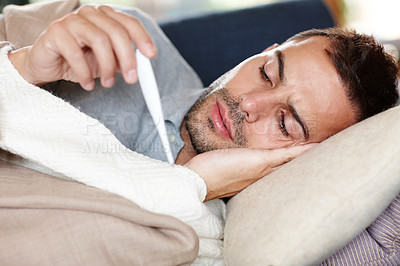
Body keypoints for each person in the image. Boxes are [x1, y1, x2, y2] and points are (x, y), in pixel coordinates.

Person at [5, 4, 399, 201]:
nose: (249, 102)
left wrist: (191, 185)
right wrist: (22, 67)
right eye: (266, 73)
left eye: (285, 124)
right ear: (263, 51)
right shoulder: (129, 37)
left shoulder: (212, 223)